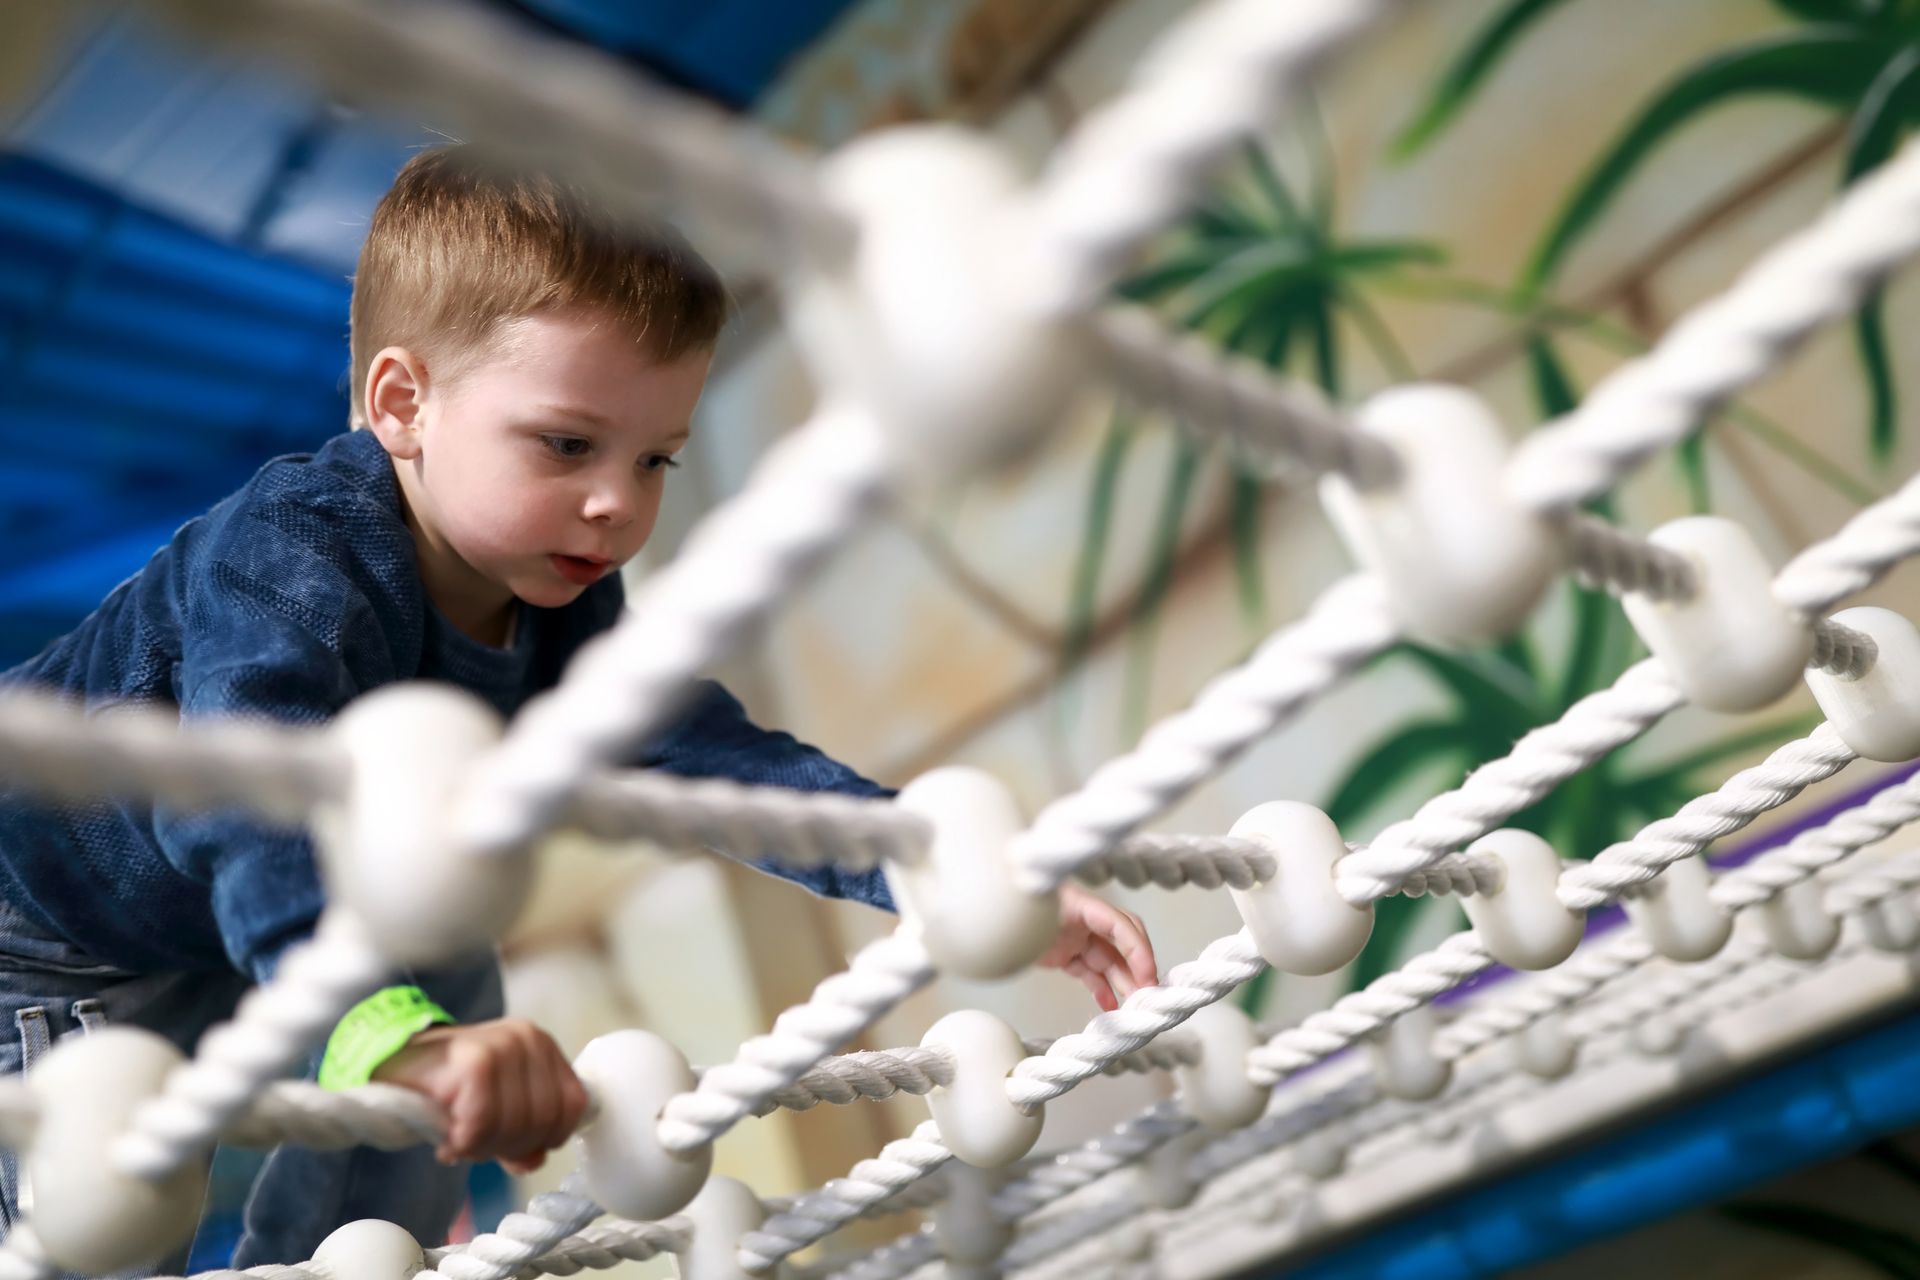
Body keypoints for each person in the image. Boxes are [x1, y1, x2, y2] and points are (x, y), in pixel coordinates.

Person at [0, 145, 1158, 1271]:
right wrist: (387, 1034)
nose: (614, 504)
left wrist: (932, 868)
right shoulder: (290, 557)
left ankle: (328, 1261)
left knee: (435, 1063)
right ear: (403, 403)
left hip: (212, 913)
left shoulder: (558, 600)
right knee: (104, 1220)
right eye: (566, 444)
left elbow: (708, 761)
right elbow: (248, 789)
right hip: (42, 927)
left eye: (656, 459)